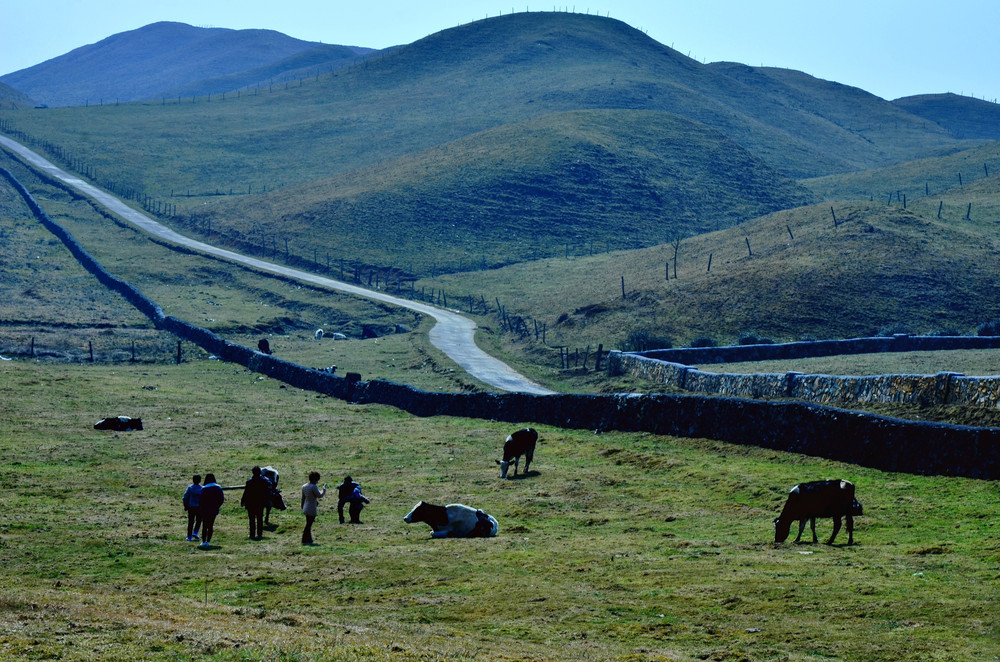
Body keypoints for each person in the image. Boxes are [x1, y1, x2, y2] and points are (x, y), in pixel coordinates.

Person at [240, 466, 271, 540]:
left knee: (252, 519)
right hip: (260, 503)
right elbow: (268, 489)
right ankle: (259, 534)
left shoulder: (249, 482)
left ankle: (252, 534)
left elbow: (246, 493)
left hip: (250, 503)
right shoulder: (264, 481)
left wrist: (242, 501)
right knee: (260, 518)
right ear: (260, 472)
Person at [199, 473, 225, 549]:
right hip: (214, 509)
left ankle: (203, 541)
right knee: (210, 525)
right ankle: (208, 541)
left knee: (204, 525)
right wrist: (217, 506)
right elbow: (221, 499)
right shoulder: (218, 488)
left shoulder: (204, 489)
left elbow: (201, 500)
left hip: (205, 509)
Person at [301, 471, 326, 545]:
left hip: (306, 506)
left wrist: (302, 506)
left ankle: (308, 539)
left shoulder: (304, 486)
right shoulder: (313, 486)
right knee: (309, 525)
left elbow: (303, 498)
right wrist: (324, 489)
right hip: (311, 506)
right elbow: (320, 495)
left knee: (308, 523)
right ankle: (305, 539)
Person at [182, 474, 203, 541]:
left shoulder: (190, 488)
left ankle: (189, 536)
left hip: (191, 507)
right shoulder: (202, 488)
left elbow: (185, 497)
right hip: (199, 507)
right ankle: (195, 532)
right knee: (199, 520)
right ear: (200, 480)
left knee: (191, 521)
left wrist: (185, 505)